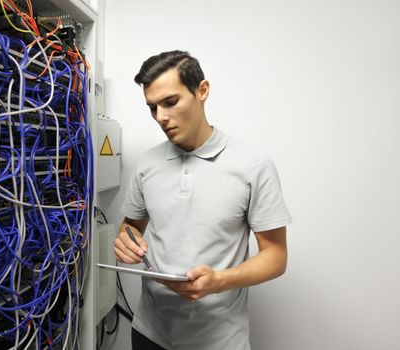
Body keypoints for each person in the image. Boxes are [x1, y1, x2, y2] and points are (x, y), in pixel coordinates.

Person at [114, 50, 292, 350]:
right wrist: (125, 240)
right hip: (149, 333)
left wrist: (218, 281)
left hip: (219, 340)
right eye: (152, 108)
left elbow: (275, 256)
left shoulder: (252, 164)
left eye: (170, 102)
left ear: (202, 90)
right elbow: (130, 227)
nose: (161, 117)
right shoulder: (147, 164)